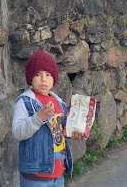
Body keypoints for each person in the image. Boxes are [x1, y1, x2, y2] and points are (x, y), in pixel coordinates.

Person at [11, 50, 84, 186]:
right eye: (38, 74)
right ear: (30, 78)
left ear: (54, 78)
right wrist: (38, 118)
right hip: (35, 176)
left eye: (48, 74)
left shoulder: (59, 103)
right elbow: (17, 132)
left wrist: (73, 133)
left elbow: (59, 135)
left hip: (58, 174)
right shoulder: (25, 102)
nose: (44, 79)